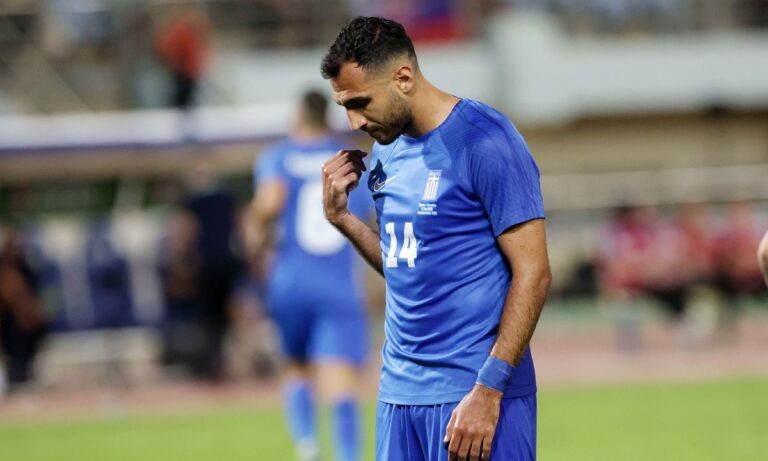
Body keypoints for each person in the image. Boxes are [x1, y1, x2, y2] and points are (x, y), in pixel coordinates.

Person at [320, 17, 551, 461]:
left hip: (473, 396)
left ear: (403, 78)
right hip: (398, 397)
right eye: (344, 106)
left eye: (361, 102)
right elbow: (406, 264)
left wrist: (489, 389)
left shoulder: (486, 139)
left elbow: (534, 272)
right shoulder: (386, 150)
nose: (354, 121)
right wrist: (343, 219)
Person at [251, 90, 371, 461]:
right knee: (340, 378)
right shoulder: (348, 160)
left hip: (290, 280)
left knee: (296, 366)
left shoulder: (278, 156)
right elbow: (369, 219)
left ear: (297, 117)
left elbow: (269, 203)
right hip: (336, 282)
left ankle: (307, 446)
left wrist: (259, 235)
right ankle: (347, 456)